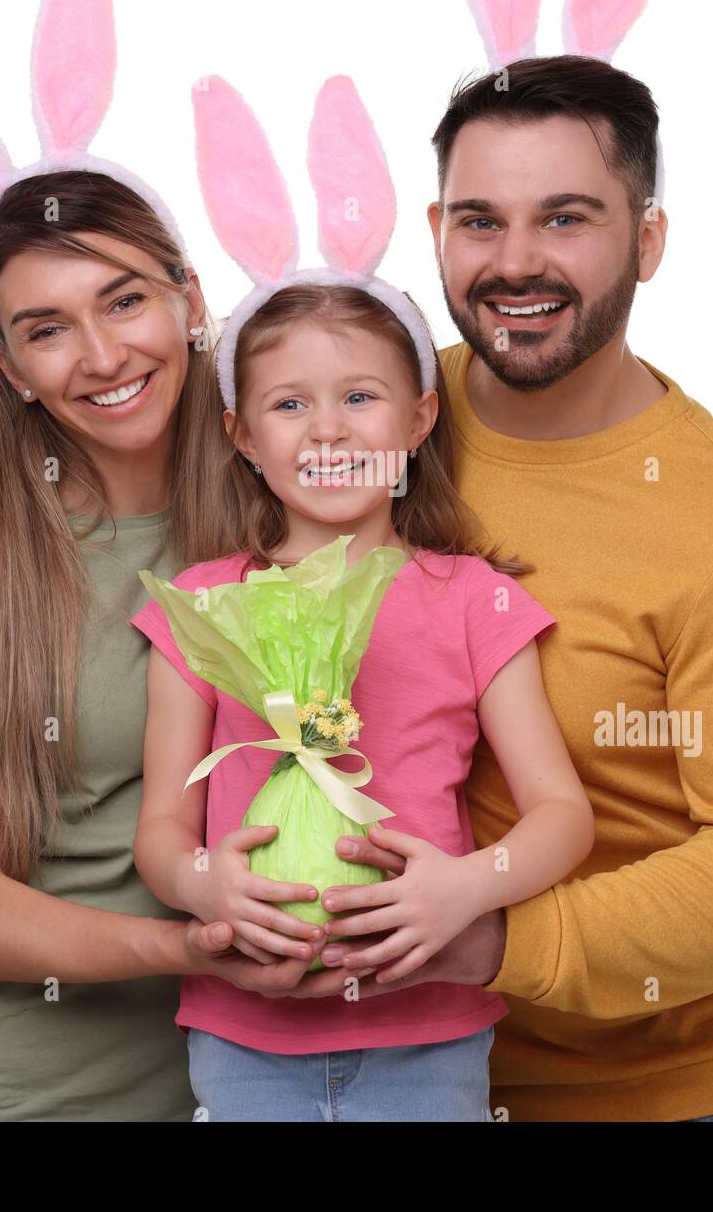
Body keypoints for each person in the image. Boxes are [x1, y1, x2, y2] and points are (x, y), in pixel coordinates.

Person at [316, 53, 713, 1123]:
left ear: (647, 239)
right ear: (433, 231)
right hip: (382, 1074)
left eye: (565, 220)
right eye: (479, 221)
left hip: (655, 1097)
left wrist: (494, 940)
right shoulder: (378, 417)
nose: (515, 264)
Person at [0, 0, 320, 1122]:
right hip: (43, 1097)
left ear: (190, 295)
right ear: (11, 371)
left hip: (290, 1078)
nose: (103, 357)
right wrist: (193, 950)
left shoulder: (306, 505)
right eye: (47, 330)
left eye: (122, 299)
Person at [129, 75, 595, 1122]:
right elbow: (160, 826)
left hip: (428, 1027)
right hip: (243, 1034)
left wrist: (469, 888)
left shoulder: (472, 600)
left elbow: (561, 815)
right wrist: (202, 881)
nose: (327, 432)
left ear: (421, 417)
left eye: (360, 398)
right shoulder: (201, 607)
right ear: (244, 435)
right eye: (289, 403)